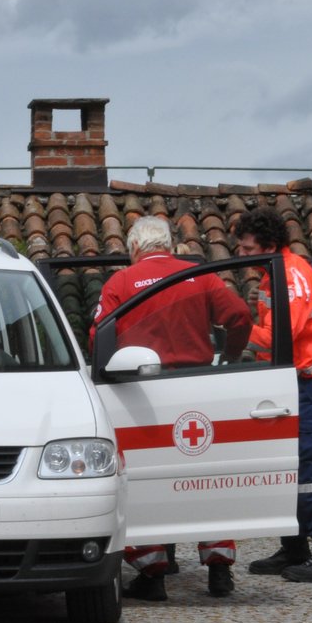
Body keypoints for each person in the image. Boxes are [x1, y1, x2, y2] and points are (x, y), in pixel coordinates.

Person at [92, 215, 253, 601]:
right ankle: (219, 570)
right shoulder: (201, 277)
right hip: (199, 386)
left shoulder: (121, 283)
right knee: (207, 478)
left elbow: (98, 334)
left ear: (133, 249)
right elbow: (240, 317)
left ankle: (153, 574)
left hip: (143, 391)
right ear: (169, 245)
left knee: (147, 482)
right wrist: (229, 357)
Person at [234, 207, 312, 582]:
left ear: (269, 245)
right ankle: (295, 548)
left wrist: (233, 331)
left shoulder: (291, 277)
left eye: (249, 249)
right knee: (289, 464)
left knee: (311, 467)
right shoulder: (273, 275)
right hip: (295, 383)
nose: (242, 255)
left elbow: (281, 336)